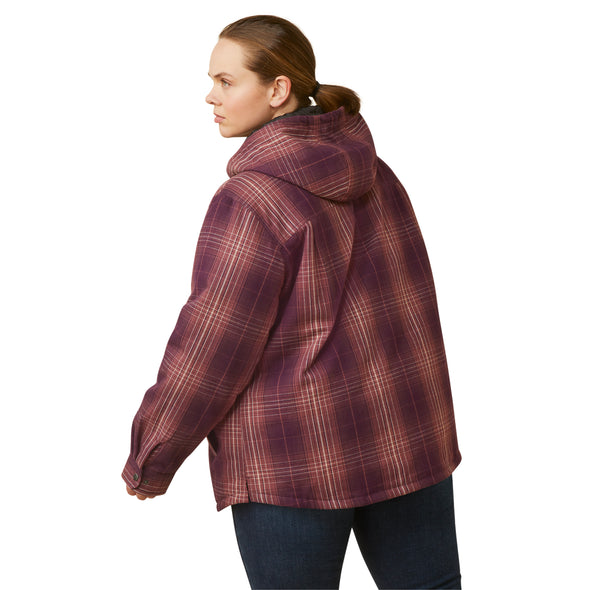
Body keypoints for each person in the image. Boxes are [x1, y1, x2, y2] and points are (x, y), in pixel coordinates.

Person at [123, 14, 462, 590]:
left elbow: (212, 347)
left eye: (227, 82)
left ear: (278, 89)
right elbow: (412, 310)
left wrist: (151, 456)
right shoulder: (376, 173)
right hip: (407, 441)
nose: (210, 96)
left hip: (294, 462)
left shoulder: (251, 200)